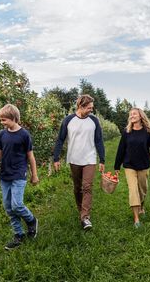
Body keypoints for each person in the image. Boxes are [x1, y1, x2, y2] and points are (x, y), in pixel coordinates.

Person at [0, 104, 39, 250]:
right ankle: (18, 235)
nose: (2, 123)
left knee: (17, 205)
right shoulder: (2, 135)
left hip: (19, 174)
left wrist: (35, 175)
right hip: (5, 175)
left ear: (14, 118)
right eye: (1, 120)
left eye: (4, 120)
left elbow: (30, 156)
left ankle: (31, 220)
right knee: (8, 207)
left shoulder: (24, 135)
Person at [53, 94, 105, 231]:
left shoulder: (94, 121)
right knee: (77, 188)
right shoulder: (68, 120)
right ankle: (81, 209)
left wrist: (102, 159)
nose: (91, 110)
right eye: (88, 108)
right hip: (74, 159)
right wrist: (56, 158)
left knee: (87, 186)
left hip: (90, 158)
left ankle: (85, 217)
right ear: (80, 106)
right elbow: (60, 140)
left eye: (92, 108)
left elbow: (99, 140)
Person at [114, 107, 150, 228]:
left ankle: (141, 206)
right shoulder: (127, 132)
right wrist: (117, 166)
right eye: (130, 114)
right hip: (129, 165)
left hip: (143, 165)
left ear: (141, 116)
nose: (132, 116)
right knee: (133, 190)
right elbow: (121, 149)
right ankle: (136, 219)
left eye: (134, 114)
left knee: (142, 189)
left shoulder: (147, 132)